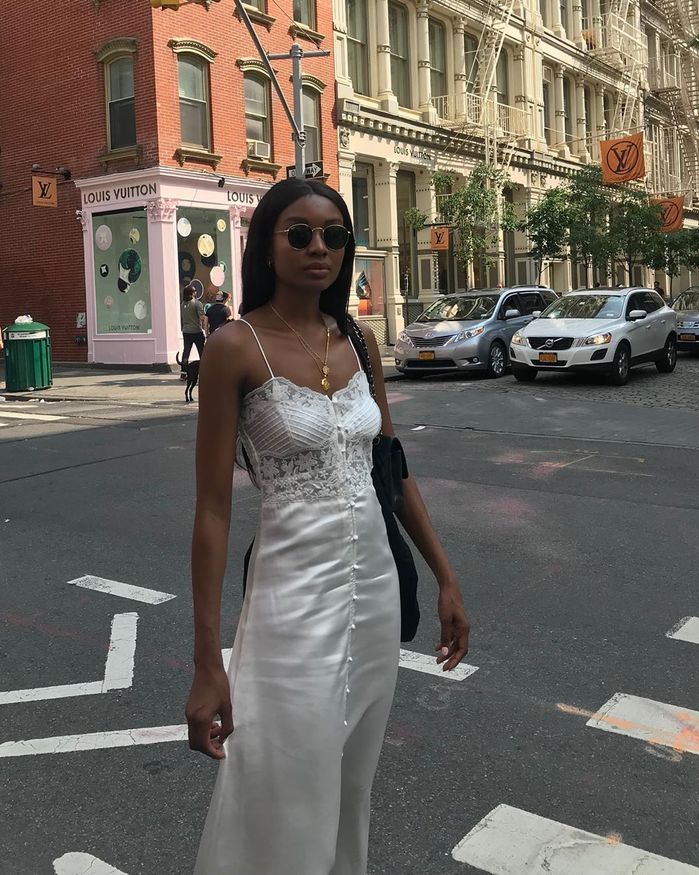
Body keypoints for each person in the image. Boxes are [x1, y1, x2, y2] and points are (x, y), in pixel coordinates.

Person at [187, 178, 470, 875]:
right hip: (290, 597)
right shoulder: (235, 346)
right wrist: (205, 662)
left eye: (334, 236)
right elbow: (213, 511)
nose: (320, 247)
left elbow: (394, 473)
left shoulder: (359, 341)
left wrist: (446, 578)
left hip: (373, 594)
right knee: (281, 784)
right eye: (301, 233)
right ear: (268, 244)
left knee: (349, 784)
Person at [181, 284, 206, 379]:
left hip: (186, 331)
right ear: (192, 293)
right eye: (194, 291)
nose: (196, 292)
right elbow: (202, 317)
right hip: (196, 331)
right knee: (202, 352)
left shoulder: (183, 304)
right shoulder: (197, 303)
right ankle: (204, 371)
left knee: (186, 351)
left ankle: (183, 373)